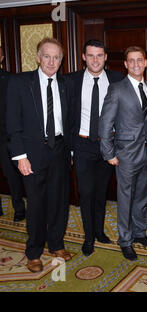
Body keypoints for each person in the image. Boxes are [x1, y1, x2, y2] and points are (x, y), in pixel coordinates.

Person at [6, 38, 73, 273]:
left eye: (56, 57)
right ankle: (33, 252)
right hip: (32, 153)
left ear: (61, 60)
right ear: (38, 57)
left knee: (59, 201)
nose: (51, 61)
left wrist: (71, 150)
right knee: (36, 204)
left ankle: (56, 244)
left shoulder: (65, 84)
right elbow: (12, 123)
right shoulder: (20, 82)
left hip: (60, 151)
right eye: (47, 56)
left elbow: (70, 121)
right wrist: (20, 156)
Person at [99, 46, 147, 261]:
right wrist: (108, 153)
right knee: (125, 198)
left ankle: (140, 233)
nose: (135, 64)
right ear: (125, 64)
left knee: (143, 197)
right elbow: (105, 123)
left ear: (146, 62)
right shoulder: (117, 89)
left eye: (139, 60)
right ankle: (125, 240)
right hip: (125, 154)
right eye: (131, 60)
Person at [67, 40, 124, 256]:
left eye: (99, 55)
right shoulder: (72, 81)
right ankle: (89, 237)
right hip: (82, 145)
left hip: (108, 144)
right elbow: (66, 116)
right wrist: (70, 150)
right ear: (83, 57)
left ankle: (100, 231)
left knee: (101, 192)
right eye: (90, 55)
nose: (95, 60)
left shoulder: (118, 79)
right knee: (86, 192)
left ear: (106, 57)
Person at [0, 46, 25, 220]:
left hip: (5, 136)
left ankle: (19, 209)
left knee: (12, 174)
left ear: (1, 57)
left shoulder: (10, 79)